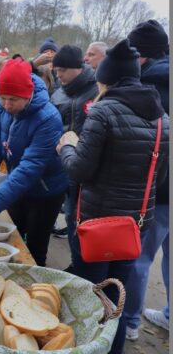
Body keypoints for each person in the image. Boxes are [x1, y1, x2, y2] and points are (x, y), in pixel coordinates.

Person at [56, 39, 169, 354]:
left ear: (107, 78)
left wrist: (67, 145)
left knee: (91, 296)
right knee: (117, 300)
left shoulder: (103, 111)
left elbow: (78, 170)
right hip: (134, 224)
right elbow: (158, 177)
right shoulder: (162, 118)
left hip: (97, 224)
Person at [0, 58, 67, 266]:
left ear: (28, 94)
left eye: (14, 99)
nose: (7, 104)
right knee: (11, 239)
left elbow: (30, 169)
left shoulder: (48, 118)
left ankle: (36, 286)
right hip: (16, 185)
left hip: (45, 190)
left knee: (36, 246)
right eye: (3, 97)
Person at [124, 19, 170, 340]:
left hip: (160, 189)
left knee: (140, 256)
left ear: (142, 56)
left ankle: (129, 321)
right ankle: (168, 314)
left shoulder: (149, 88)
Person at [50, 45, 98, 254]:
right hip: (62, 159)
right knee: (69, 214)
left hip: (86, 163)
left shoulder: (97, 89)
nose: (58, 74)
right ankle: (75, 258)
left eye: (62, 70)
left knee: (78, 215)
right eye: (56, 70)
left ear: (77, 68)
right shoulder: (58, 93)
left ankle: (81, 261)